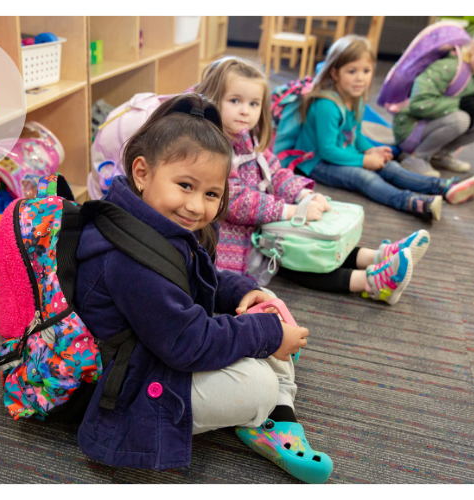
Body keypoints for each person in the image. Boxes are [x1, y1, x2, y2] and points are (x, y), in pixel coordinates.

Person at [73, 93, 334, 484]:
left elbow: (198, 274)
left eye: (211, 194)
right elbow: (188, 343)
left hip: (157, 348)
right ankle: (268, 411)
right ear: (142, 173)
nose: (197, 206)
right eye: (185, 185)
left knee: (265, 312)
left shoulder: (153, 222)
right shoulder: (129, 257)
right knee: (260, 377)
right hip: (132, 385)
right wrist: (266, 335)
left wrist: (242, 292)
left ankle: (277, 418)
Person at [194, 56, 430, 303]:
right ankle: (372, 283)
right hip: (235, 246)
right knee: (302, 260)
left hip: (261, 229)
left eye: (254, 104)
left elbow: (276, 171)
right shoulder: (214, 149)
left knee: (313, 244)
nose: (245, 110)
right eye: (235, 101)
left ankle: (379, 257)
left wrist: (302, 194)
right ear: (212, 100)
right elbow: (236, 203)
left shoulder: (248, 139)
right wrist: (291, 211)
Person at [287, 35, 474, 221]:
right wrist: (365, 160)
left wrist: (369, 150)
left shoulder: (355, 98)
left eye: (366, 71)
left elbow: (353, 133)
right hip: (316, 162)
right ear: (335, 73)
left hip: (342, 152)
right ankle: (412, 202)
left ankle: (444, 187)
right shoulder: (326, 106)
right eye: (352, 71)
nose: (360, 78)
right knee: (364, 176)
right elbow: (327, 150)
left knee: (389, 166)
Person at [394, 16, 474, 176]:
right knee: (461, 119)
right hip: (411, 129)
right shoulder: (449, 67)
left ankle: (438, 154)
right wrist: (458, 104)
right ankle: (415, 157)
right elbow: (418, 103)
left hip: (439, 126)